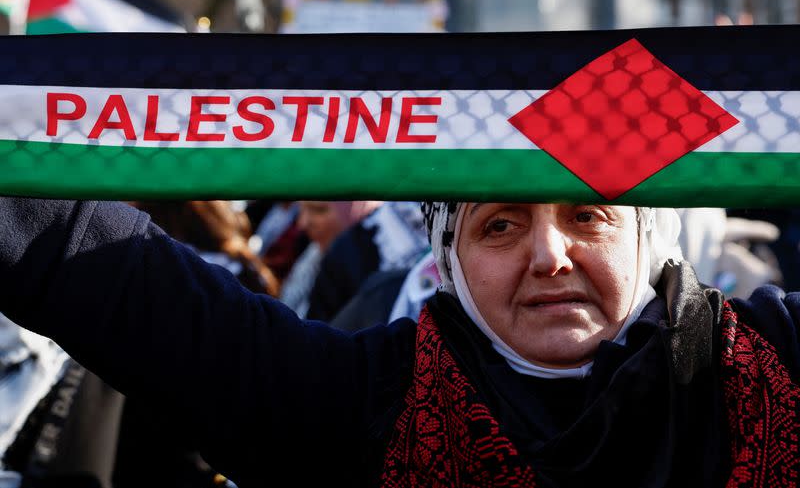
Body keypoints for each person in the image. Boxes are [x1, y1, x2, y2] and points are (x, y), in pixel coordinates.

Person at [0, 198, 799, 488]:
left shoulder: (773, 362)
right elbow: (117, 282)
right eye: (500, 224)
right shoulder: (360, 406)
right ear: (445, 258)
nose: (549, 253)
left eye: (587, 215)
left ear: (647, 232)